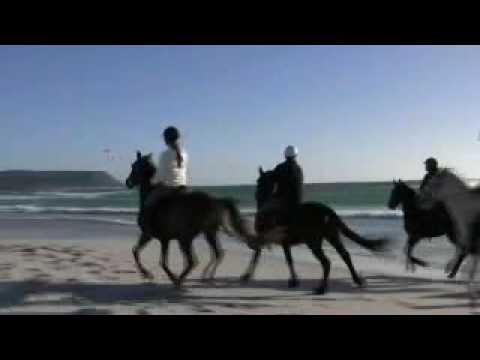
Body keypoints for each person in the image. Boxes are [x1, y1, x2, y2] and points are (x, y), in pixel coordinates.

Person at [140, 126, 188, 237]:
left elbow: (161, 175)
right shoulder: (184, 153)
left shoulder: (165, 154)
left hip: (169, 188)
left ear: (166, 139)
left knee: (148, 202)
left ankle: (149, 229)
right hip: (183, 187)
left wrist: (152, 182)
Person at [260, 145, 304, 227]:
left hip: (284, 201)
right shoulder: (299, 169)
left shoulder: (281, 167)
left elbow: (272, 178)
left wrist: (264, 174)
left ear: (285, 155)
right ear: (296, 156)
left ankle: (265, 232)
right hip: (299, 201)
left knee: (264, 210)